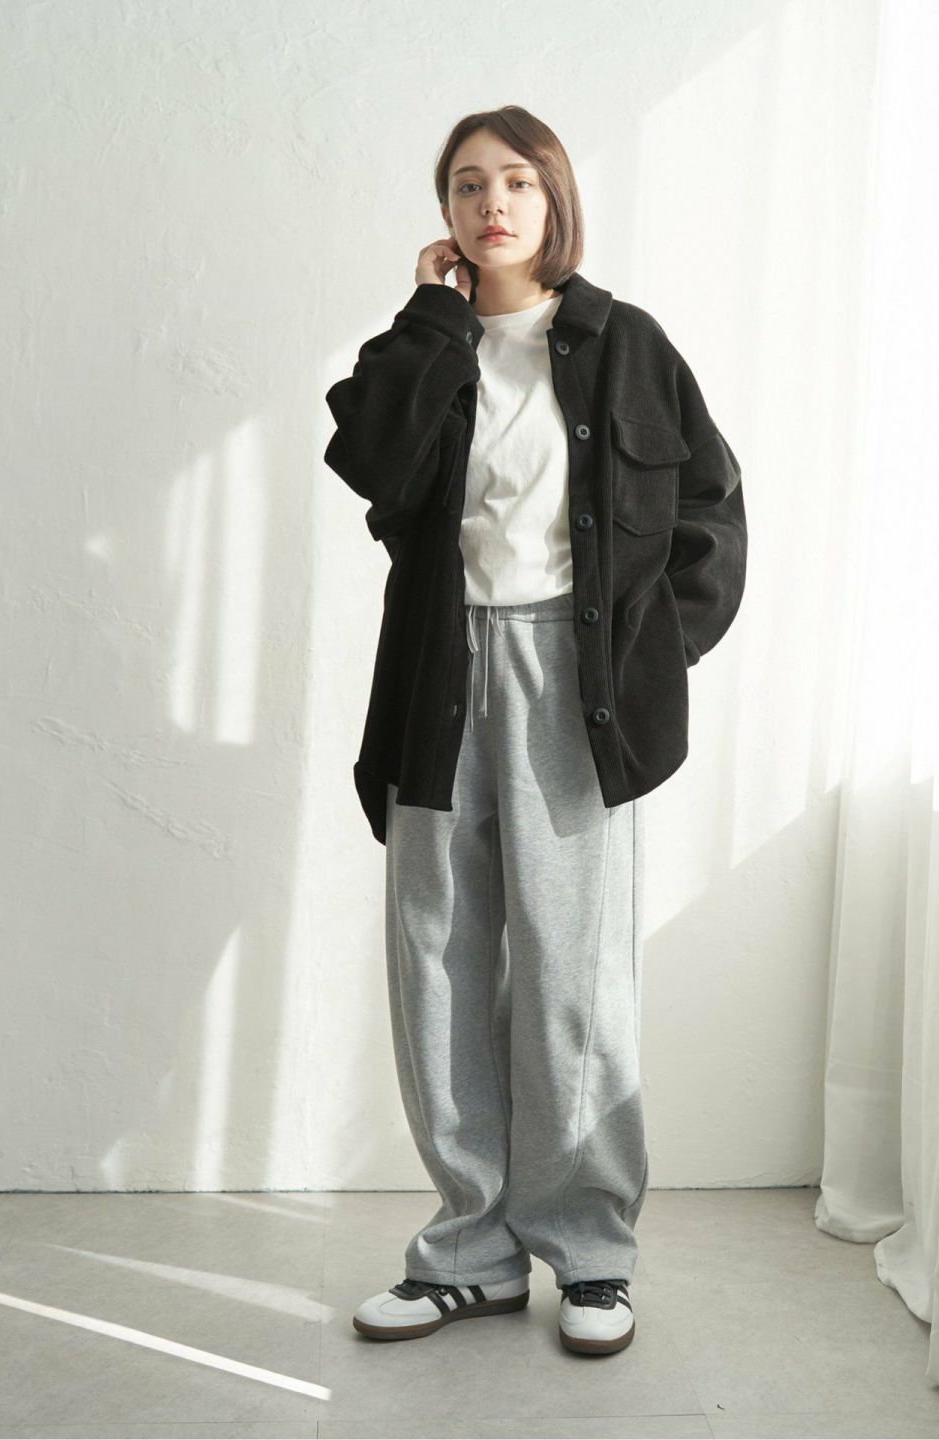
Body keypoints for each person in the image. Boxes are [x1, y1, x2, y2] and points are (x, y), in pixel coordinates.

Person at [324, 106, 747, 1356]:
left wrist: (646, 654)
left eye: (516, 181)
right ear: (445, 215)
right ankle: (471, 1252)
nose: (492, 204)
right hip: (438, 676)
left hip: (575, 681)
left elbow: (712, 513)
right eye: (467, 186)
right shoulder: (427, 346)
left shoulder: (625, 343)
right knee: (439, 962)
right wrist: (433, 319)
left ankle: (592, 1254)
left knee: (572, 977)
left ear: (554, 198)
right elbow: (371, 460)